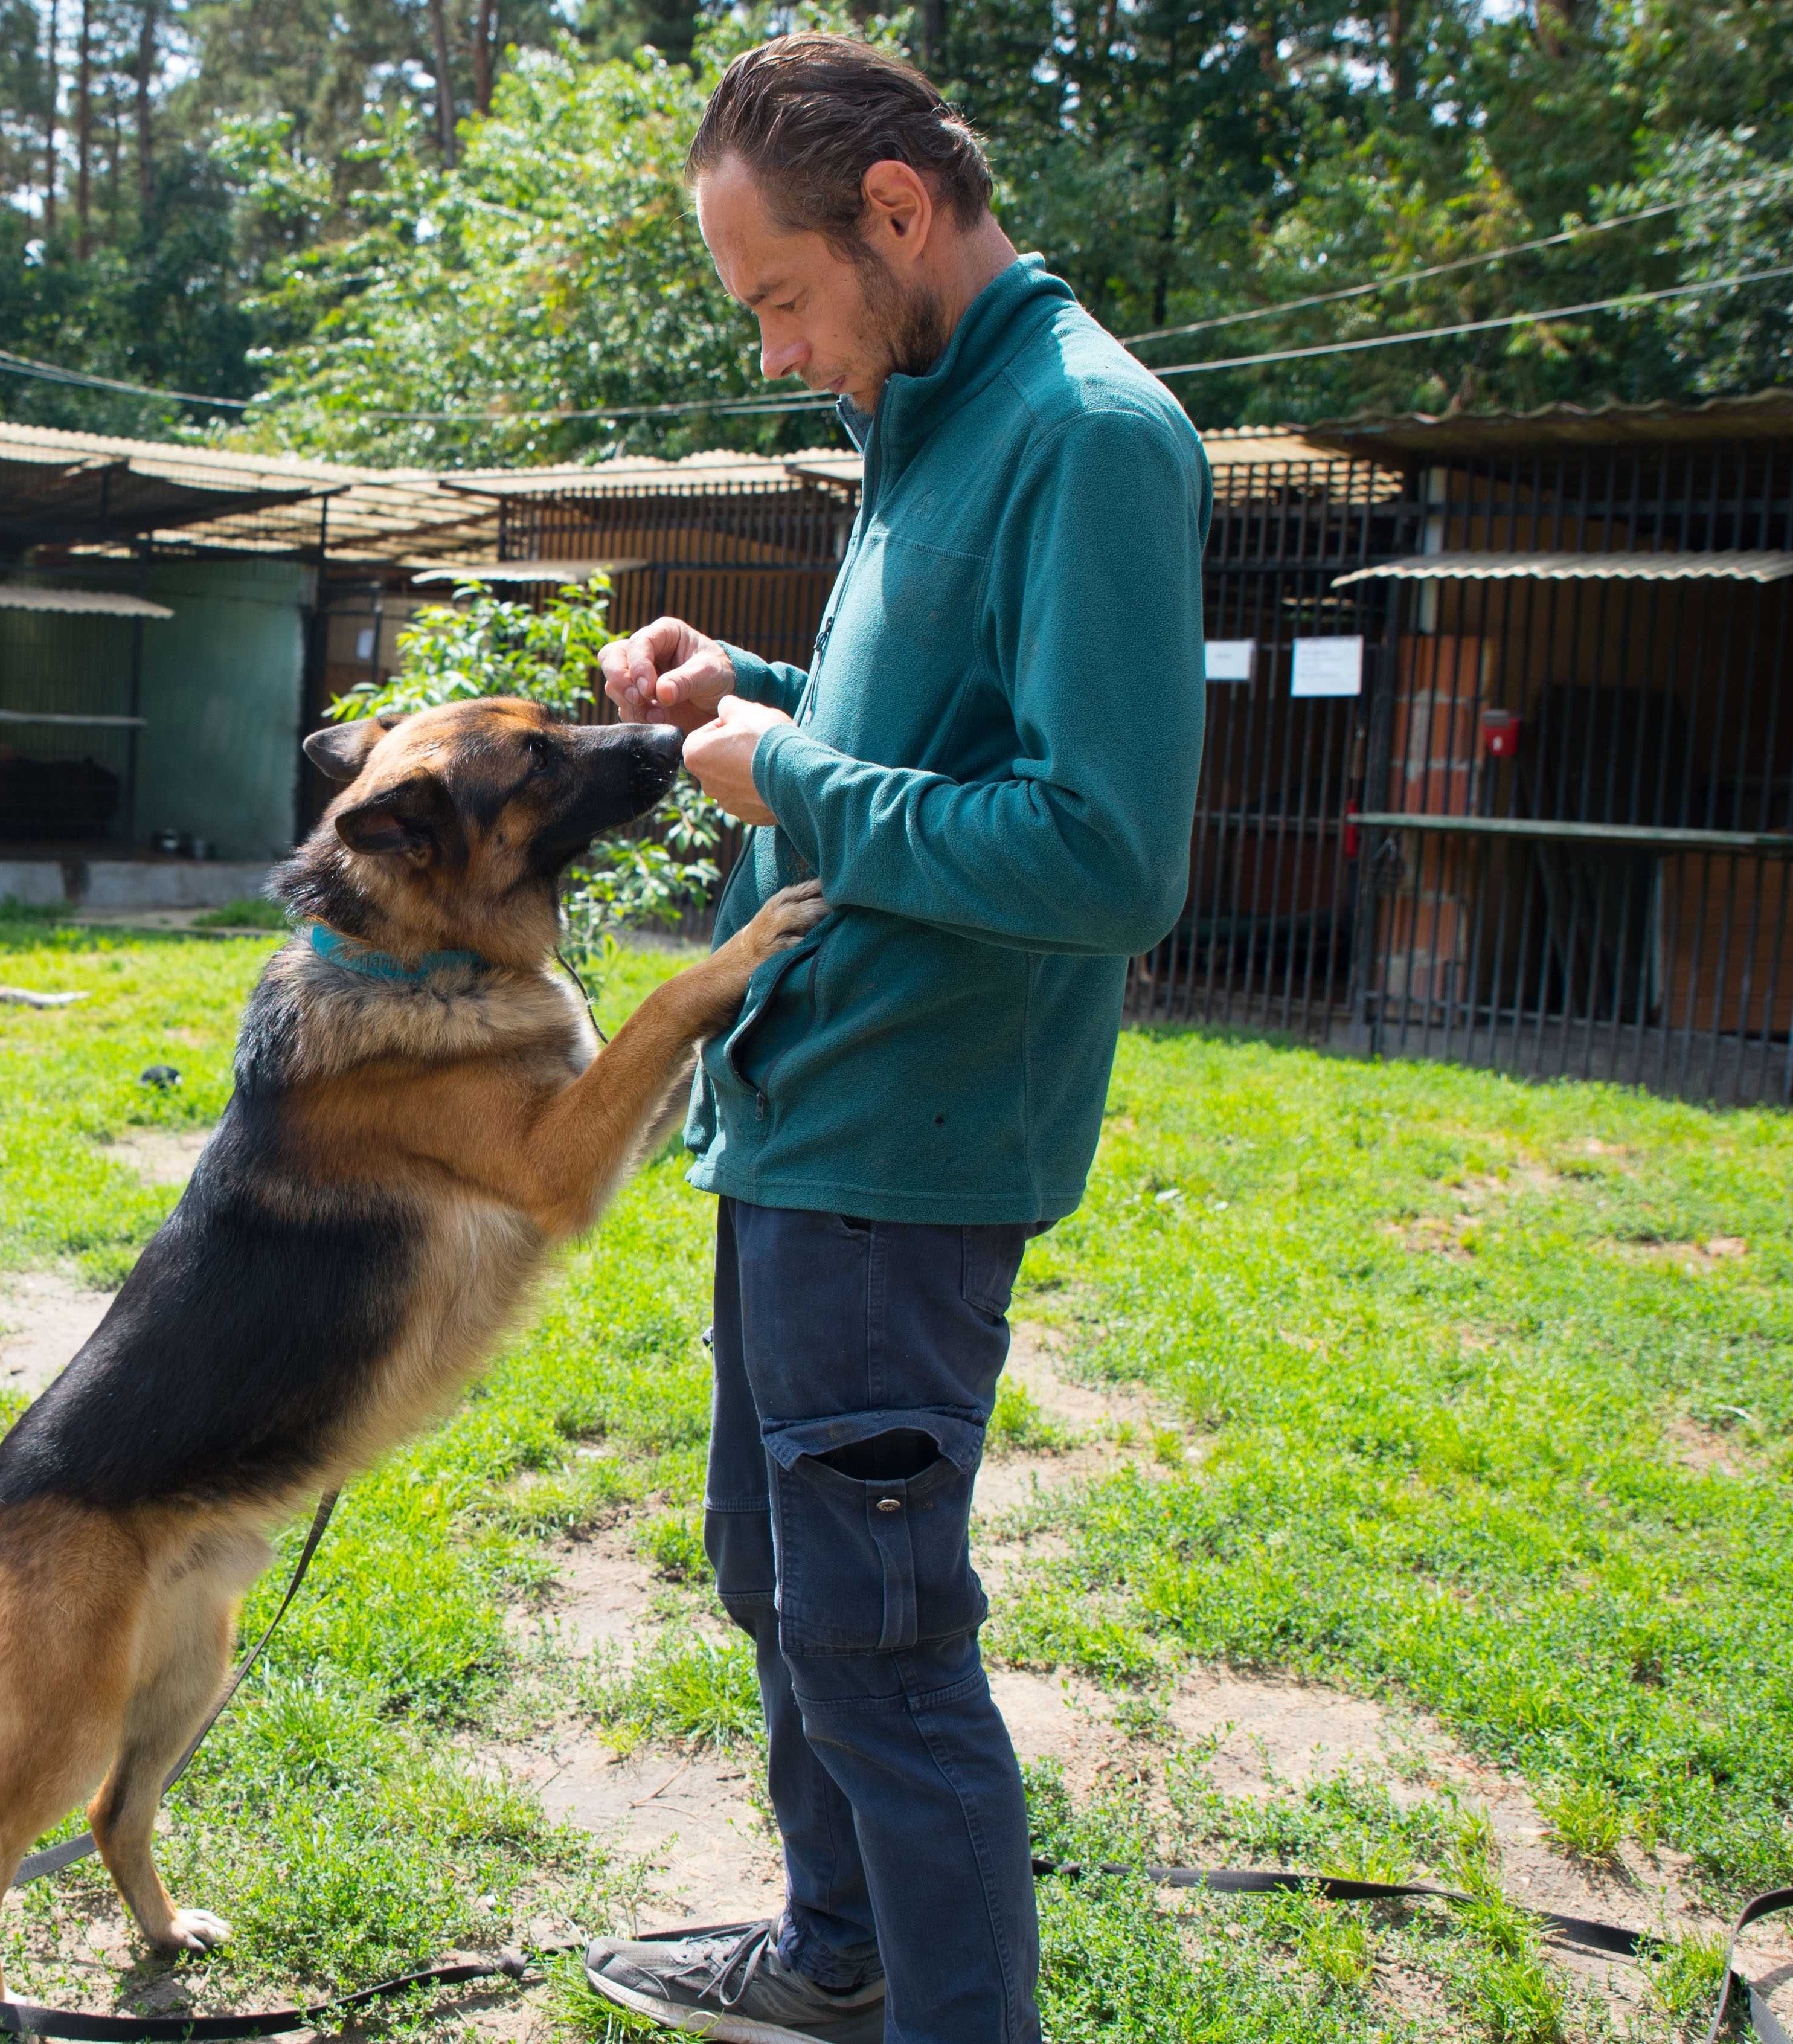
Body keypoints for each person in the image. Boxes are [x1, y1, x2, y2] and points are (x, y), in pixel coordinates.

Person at [580, 35, 1207, 2044]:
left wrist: (793, 784)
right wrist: (735, 693)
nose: (770, 350)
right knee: (779, 1585)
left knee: (880, 1643)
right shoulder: (927, 414)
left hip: (904, 1159)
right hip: (796, 1123)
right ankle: (830, 1953)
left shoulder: (1087, 433)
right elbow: (914, 736)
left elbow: (1103, 856)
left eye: (777, 295)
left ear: (900, 218)